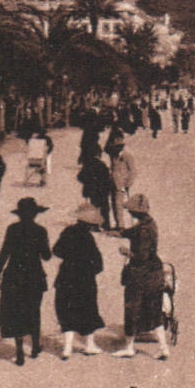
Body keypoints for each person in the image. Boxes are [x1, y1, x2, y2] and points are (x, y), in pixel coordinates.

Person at [0, 196, 52, 366]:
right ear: (35, 214)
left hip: (14, 274)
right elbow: (46, 256)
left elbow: (5, 252)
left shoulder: (12, 229)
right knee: (34, 310)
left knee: (16, 311)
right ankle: (34, 347)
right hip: (34, 276)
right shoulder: (41, 231)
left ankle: (19, 351)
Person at [114, 194, 169, 359]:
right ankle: (163, 347)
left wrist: (127, 252)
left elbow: (141, 257)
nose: (129, 213)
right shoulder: (150, 224)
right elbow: (130, 232)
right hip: (155, 273)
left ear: (136, 212)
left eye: (130, 211)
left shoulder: (142, 229)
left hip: (140, 275)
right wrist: (120, 233)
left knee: (132, 309)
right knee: (155, 311)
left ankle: (129, 347)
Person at [54, 203, 107, 359]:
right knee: (88, 311)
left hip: (65, 278)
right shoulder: (89, 239)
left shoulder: (68, 231)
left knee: (66, 312)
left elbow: (56, 250)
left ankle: (67, 348)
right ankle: (90, 345)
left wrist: (69, 259)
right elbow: (99, 265)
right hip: (85, 281)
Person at [109, 142, 136, 230]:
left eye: (117, 147)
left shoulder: (127, 156)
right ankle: (118, 224)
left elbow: (133, 171)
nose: (115, 149)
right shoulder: (114, 156)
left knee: (119, 204)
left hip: (122, 184)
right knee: (114, 204)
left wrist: (128, 183)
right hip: (113, 182)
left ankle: (121, 226)